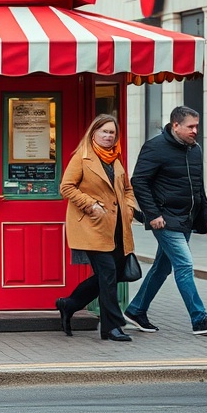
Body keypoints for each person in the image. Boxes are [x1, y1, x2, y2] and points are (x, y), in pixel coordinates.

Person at [123, 106, 207, 336]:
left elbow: (198, 186)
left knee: (162, 268)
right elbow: (139, 182)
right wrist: (153, 214)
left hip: (186, 219)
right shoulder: (155, 147)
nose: (195, 131)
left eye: (197, 126)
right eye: (190, 126)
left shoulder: (195, 149)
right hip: (165, 220)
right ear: (175, 125)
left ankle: (136, 310)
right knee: (184, 265)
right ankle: (199, 319)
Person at [55, 114, 138, 342]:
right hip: (92, 226)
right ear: (94, 133)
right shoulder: (82, 158)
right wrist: (90, 204)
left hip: (117, 228)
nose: (109, 136)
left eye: (112, 133)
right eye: (105, 132)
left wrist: (129, 209)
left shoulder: (116, 159)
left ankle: (69, 304)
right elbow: (66, 187)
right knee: (108, 274)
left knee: (110, 275)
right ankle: (112, 327)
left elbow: (127, 189)